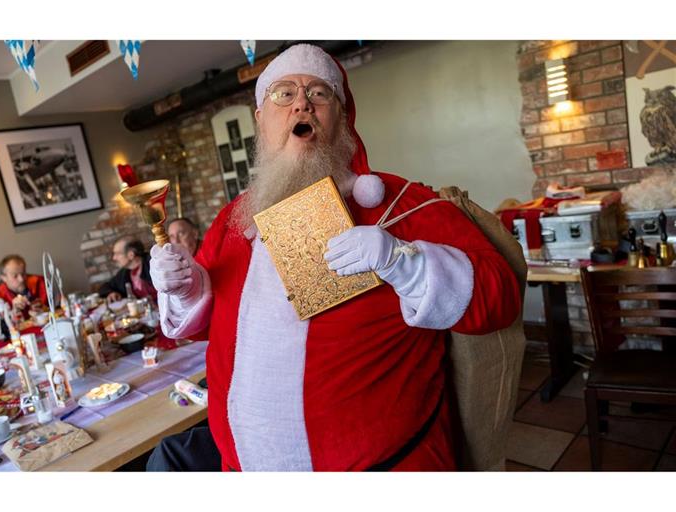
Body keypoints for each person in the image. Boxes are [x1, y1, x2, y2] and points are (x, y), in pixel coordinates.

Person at [147, 44, 521, 471]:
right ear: (261, 120)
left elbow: (500, 298)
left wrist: (404, 261)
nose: (302, 103)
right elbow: (204, 328)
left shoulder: (401, 204)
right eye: (284, 94)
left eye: (319, 93)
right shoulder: (234, 222)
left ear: (342, 118)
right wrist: (186, 288)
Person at [0, 255, 47, 330]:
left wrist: (44, 310)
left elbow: (56, 309)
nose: (21, 279)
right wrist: (13, 314)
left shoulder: (39, 282)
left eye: (23, 273)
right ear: (4, 278)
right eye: (15, 276)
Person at [99, 236, 156, 303]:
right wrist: (111, 293)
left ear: (131, 255)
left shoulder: (154, 264)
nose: (114, 258)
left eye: (117, 254)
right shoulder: (125, 272)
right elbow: (105, 286)